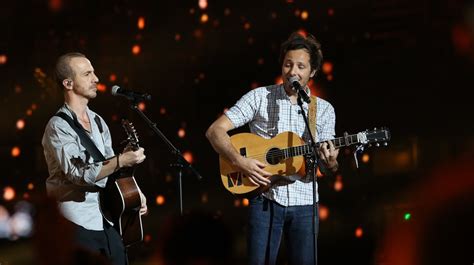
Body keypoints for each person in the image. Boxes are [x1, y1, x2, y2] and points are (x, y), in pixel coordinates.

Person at [206, 32, 339, 265]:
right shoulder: (259, 97)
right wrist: (240, 161)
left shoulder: (324, 110)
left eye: (300, 66)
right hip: (265, 198)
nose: (293, 72)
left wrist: (330, 162)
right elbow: (215, 131)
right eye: (288, 64)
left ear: (313, 72)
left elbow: (327, 168)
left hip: (306, 203)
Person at [42, 52, 147, 265]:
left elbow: (109, 167)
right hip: (75, 222)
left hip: (104, 217)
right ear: (68, 83)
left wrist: (136, 193)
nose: (96, 78)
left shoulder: (98, 121)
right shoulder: (58, 126)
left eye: (94, 72)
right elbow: (79, 173)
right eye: (87, 74)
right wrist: (120, 160)